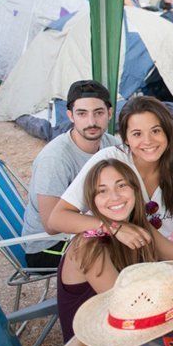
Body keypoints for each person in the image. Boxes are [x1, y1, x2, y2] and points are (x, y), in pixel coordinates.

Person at [50, 96, 173, 259]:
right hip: (114, 251)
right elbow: (56, 219)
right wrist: (113, 227)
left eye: (155, 131)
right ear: (126, 139)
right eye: (137, 134)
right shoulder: (109, 162)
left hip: (154, 247)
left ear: (168, 131)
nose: (148, 141)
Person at [56, 158, 173, 343]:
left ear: (135, 189)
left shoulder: (134, 227)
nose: (115, 197)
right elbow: (125, 307)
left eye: (121, 185)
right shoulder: (88, 246)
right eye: (102, 191)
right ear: (92, 200)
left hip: (134, 332)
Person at [21, 81, 120, 269]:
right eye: (82, 113)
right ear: (70, 116)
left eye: (98, 113)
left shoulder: (111, 144)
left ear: (109, 113)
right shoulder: (54, 158)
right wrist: (112, 228)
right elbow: (51, 224)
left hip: (90, 228)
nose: (91, 122)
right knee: (124, 247)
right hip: (49, 246)